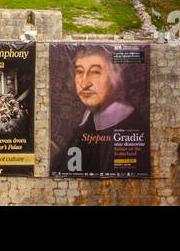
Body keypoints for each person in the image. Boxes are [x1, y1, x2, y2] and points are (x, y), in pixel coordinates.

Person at [53, 44, 148, 176]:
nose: (84, 83)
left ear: (115, 76)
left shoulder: (132, 126)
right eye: (79, 71)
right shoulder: (88, 117)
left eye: (95, 72)